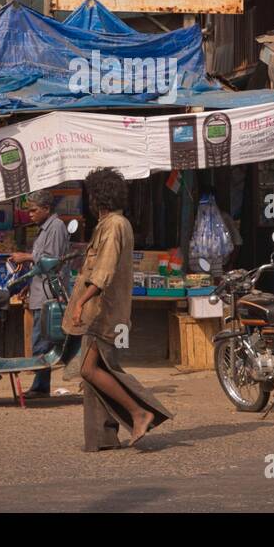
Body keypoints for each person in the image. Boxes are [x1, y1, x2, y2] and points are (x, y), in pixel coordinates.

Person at [65, 167, 173, 450]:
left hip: (105, 312)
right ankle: (103, 438)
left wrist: (81, 301)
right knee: (97, 372)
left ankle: (140, 412)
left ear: (97, 198)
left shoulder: (113, 225)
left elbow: (103, 272)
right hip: (104, 312)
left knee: (89, 370)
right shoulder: (112, 223)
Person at [10, 189, 70, 398]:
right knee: (40, 340)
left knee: (42, 341)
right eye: (29, 210)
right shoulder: (45, 228)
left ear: (46, 209)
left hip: (48, 293)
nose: (30, 214)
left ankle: (40, 386)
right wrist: (28, 283)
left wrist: (25, 257)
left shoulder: (56, 227)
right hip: (39, 288)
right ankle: (40, 384)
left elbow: (49, 260)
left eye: (34, 210)